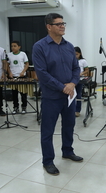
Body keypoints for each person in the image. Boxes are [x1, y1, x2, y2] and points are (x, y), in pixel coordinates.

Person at [32, 13, 82, 176]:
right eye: (58, 24)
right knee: (48, 130)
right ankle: (48, 161)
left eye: (63, 23)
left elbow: (76, 68)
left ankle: (67, 151)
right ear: (49, 27)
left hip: (69, 97)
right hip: (51, 97)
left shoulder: (69, 46)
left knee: (69, 126)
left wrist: (73, 83)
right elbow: (42, 73)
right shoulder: (39, 47)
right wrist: (63, 87)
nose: (62, 26)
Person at [7, 41, 29, 114]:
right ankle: (15, 107)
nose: (13, 47)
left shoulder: (23, 54)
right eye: (12, 46)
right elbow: (7, 65)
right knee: (14, 94)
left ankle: (24, 107)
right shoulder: (9, 55)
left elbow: (27, 64)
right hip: (13, 77)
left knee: (23, 93)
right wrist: (9, 73)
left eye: (15, 46)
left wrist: (23, 72)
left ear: (19, 47)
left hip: (22, 76)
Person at [74, 46, 89, 117]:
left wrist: (81, 73)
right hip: (72, 80)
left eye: (76, 54)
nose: (75, 56)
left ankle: (77, 110)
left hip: (79, 79)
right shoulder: (71, 60)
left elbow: (87, 70)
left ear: (80, 54)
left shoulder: (83, 61)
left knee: (78, 95)